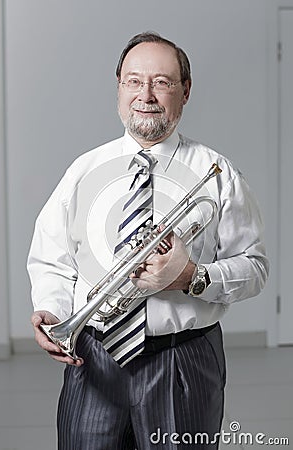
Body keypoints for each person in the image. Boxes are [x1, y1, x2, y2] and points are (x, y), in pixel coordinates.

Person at [28, 32, 269, 449]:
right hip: (94, 355)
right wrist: (51, 309)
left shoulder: (216, 172)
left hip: (183, 360)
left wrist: (191, 277)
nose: (147, 95)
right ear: (119, 87)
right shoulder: (85, 170)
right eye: (134, 81)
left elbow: (255, 268)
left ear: (185, 91)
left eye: (162, 82)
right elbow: (52, 259)